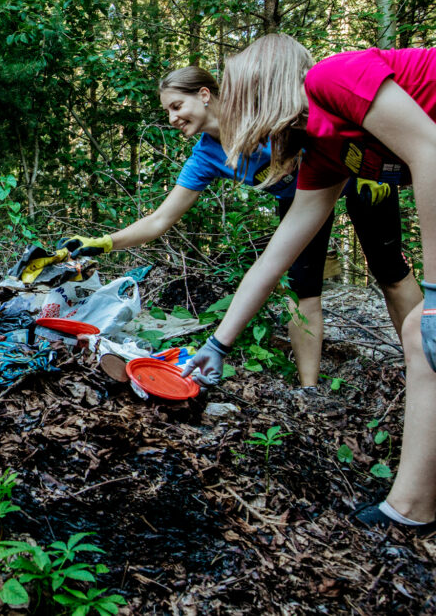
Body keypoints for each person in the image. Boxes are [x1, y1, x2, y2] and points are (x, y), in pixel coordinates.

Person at [182, 34, 433, 531]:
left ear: (261, 86)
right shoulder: (323, 151)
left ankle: (412, 507)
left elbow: (429, 151)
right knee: (420, 339)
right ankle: (412, 509)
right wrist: (218, 344)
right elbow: (277, 255)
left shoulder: (330, 79)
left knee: (423, 330)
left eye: (235, 91)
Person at [58, 66, 412, 390]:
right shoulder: (206, 156)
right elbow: (159, 220)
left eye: (176, 106)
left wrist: (377, 156)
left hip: (358, 171)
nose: (172, 117)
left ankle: (422, 366)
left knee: (390, 272)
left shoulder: (259, 110)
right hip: (303, 198)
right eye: (168, 111)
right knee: (303, 291)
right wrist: (104, 242)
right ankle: (309, 390)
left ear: (204, 95)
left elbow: (325, 111)